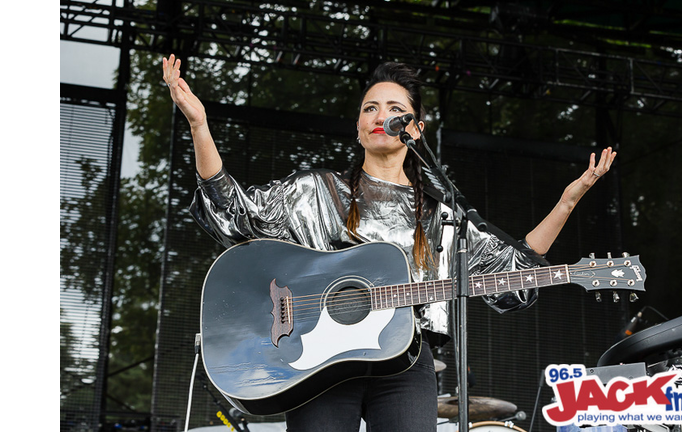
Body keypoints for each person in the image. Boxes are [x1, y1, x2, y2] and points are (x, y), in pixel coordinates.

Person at [162, 54, 617, 432]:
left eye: (394, 108)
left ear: (414, 128)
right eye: (370, 108)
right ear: (359, 127)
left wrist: (567, 200)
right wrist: (200, 127)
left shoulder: (442, 215)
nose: (380, 116)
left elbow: (513, 273)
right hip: (315, 364)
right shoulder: (316, 192)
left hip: (405, 364)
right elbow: (235, 214)